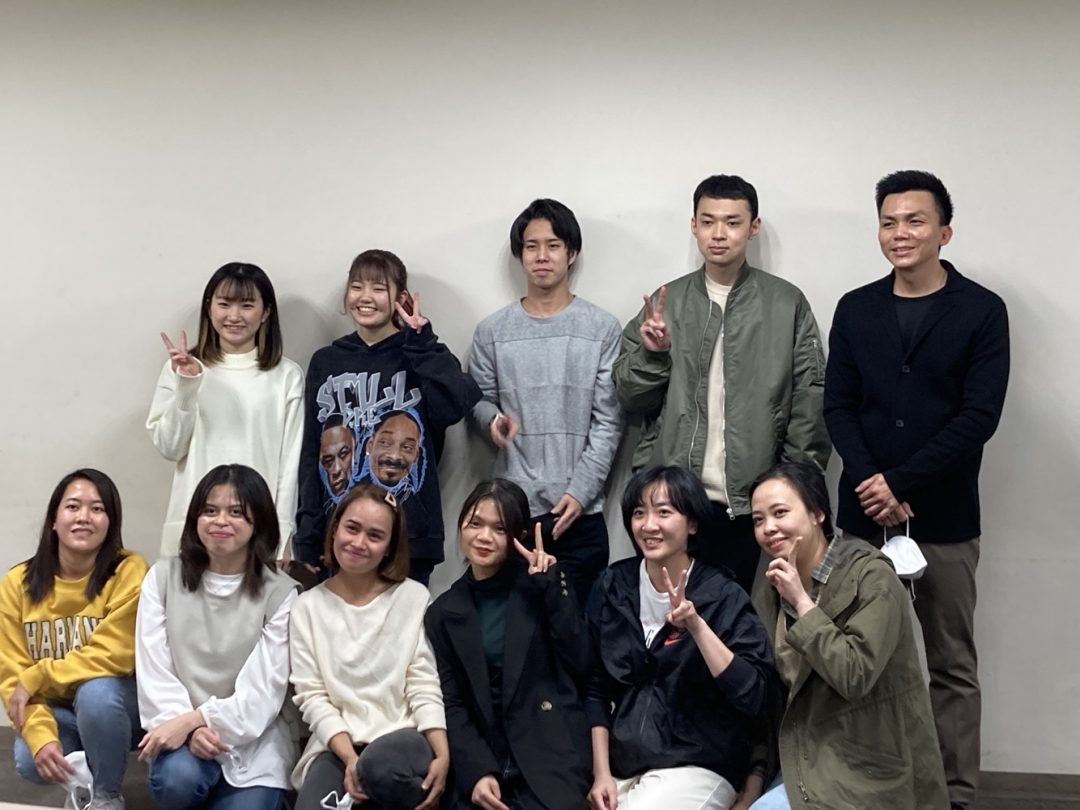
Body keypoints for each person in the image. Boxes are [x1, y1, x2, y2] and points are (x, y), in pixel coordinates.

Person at [824, 170, 1009, 810]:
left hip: (945, 517)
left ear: (944, 232)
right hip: (862, 518)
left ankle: (954, 794)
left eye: (914, 220)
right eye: (889, 221)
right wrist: (872, 483)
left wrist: (900, 482)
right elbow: (838, 406)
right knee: (855, 655)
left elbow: (978, 416)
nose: (899, 233)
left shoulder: (982, 310)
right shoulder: (856, 308)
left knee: (951, 663)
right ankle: (863, 782)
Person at [614, 175, 829, 594]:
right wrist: (653, 354)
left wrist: (793, 486)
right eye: (708, 221)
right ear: (693, 225)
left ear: (753, 227)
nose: (719, 233)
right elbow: (629, 397)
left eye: (732, 222)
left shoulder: (786, 303)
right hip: (673, 499)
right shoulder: (667, 302)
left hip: (753, 503)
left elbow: (811, 400)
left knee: (741, 617)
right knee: (670, 617)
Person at [744, 461, 947, 809]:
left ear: (817, 513)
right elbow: (766, 692)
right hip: (805, 747)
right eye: (758, 520)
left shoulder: (872, 576)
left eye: (780, 513)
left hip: (869, 759)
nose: (768, 528)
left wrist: (802, 603)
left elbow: (854, 674)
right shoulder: (771, 591)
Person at [586, 466, 775, 810]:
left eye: (664, 512)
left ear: (692, 524)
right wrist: (601, 774)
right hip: (623, 763)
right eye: (639, 513)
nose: (649, 525)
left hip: (699, 764)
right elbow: (595, 687)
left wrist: (697, 627)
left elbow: (755, 696)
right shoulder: (612, 586)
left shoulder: (722, 595)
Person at [468, 199, 623, 605]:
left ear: (571, 253)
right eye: (531, 246)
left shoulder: (602, 328)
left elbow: (608, 421)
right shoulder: (492, 332)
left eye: (553, 245)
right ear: (520, 254)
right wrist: (492, 421)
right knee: (515, 629)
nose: (542, 256)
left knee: (580, 630)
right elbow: (478, 401)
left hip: (580, 514)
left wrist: (582, 491)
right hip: (511, 511)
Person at [295, 249, 480, 585]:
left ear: (400, 298)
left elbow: (459, 402)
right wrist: (309, 534)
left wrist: (421, 341)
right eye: (357, 287)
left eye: (379, 288)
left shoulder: (420, 352)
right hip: (340, 535)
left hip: (410, 535)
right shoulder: (326, 361)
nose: (365, 297)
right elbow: (312, 452)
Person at [135, 464, 300, 810]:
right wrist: (189, 729)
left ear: (258, 522)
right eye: (210, 510)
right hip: (181, 736)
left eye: (236, 512)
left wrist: (199, 721)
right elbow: (155, 671)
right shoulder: (163, 578)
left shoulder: (281, 593)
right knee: (177, 781)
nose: (220, 521)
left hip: (254, 740)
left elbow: (262, 694)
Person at [425, 479, 592, 809]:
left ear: (519, 536)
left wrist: (551, 587)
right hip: (485, 754)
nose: (484, 537)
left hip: (549, 751)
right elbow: (452, 703)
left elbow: (581, 664)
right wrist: (477, 771)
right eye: (475, 524)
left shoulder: (540, 587)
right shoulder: (443, 612)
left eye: (499, 529)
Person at [289, 483, 449, 810]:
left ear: (389, 547)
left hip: (403, 737)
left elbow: (423, 683)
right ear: (335, 529)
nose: (359, 543)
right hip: (337, 745)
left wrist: (443, 754)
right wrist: (349, 759)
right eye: (352, 528)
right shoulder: (306, 607)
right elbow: (313, 695)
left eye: (375, 536)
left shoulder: (412, 597)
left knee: (379, 769)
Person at [1, 469, 147, 810]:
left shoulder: (128, 570)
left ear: (111, 522)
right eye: (73, 506)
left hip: (119, 706)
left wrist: (38, 674)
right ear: (54, 519)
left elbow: (116, 653)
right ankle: (82, 782)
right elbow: (13, 677)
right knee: (29, 758)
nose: (84, 517)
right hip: (60, 711)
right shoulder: (17, 583)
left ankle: (106, 796)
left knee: (95, 693)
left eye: (97, 508)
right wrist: (40, 736)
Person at [148, 262, 304, 559]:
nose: (234, 316)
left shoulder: (286, 375)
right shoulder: (181, 368)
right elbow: (170, 447)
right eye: (224, 304)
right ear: (209, 308)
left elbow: (290, 463)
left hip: (259, 528)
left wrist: (283, 532)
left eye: (247, 305)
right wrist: (187, 385)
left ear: (266, 312)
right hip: (193, 526)